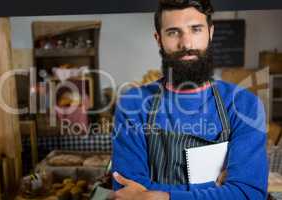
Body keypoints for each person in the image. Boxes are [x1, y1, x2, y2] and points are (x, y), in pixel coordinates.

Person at [111, 0, 269, 199]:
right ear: (158, 39)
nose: (186, 43)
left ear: (210, 33)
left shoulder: (245, 105)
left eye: (196, 29)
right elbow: (127, 193)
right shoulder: (132, 104)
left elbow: (248, 193)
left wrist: (163, 196)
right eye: (173, 32)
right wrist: (217, 189)